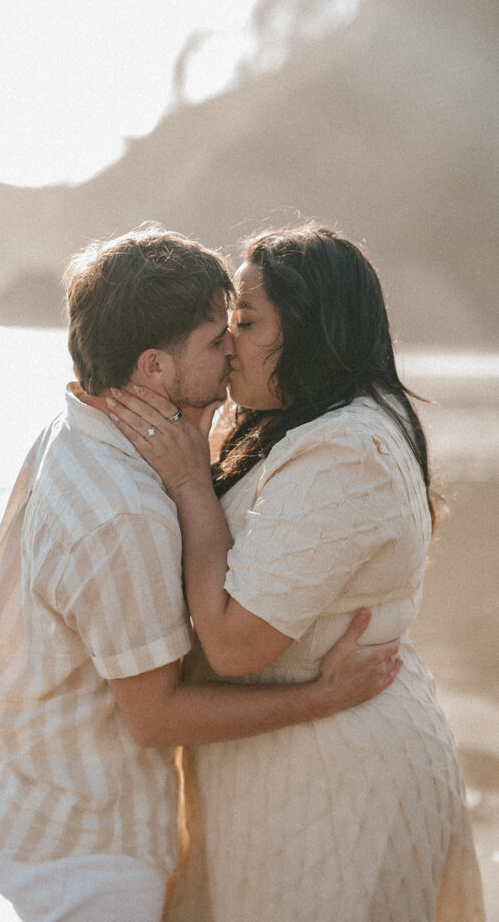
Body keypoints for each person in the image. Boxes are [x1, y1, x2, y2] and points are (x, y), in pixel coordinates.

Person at [0, 223, 402, 922]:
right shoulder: (124, 512)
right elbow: (155, 715)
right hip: (89, 849)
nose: (233, 349)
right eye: (215, 338)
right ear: (154, 370)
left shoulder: (86, 422)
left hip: (35, 795)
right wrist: (320, 697)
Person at [108, 222, 486, 922]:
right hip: (293, 762)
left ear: (312, 329)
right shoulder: (304, 426)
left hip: (336, 786)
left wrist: (193, 484)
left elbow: (233, 644)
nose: (228, 343)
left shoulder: (345, 450)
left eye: (247, 322)